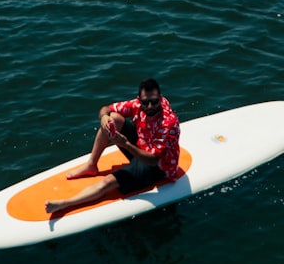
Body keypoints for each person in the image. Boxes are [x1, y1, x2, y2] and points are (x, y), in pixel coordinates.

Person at [45, 78, 182, 215]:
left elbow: (153, 160)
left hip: (158, 166)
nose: (150, 106)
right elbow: (106, 109)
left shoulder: (168, 123)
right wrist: (104, 117)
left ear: (160, 98)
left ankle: (64, 204)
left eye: (155, 101)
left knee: (108, 181)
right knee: (113, 119)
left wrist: (126, 144)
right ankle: (92, 165)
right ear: (139, 100)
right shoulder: (136, 105)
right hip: (142, 146)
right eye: (146, 102)